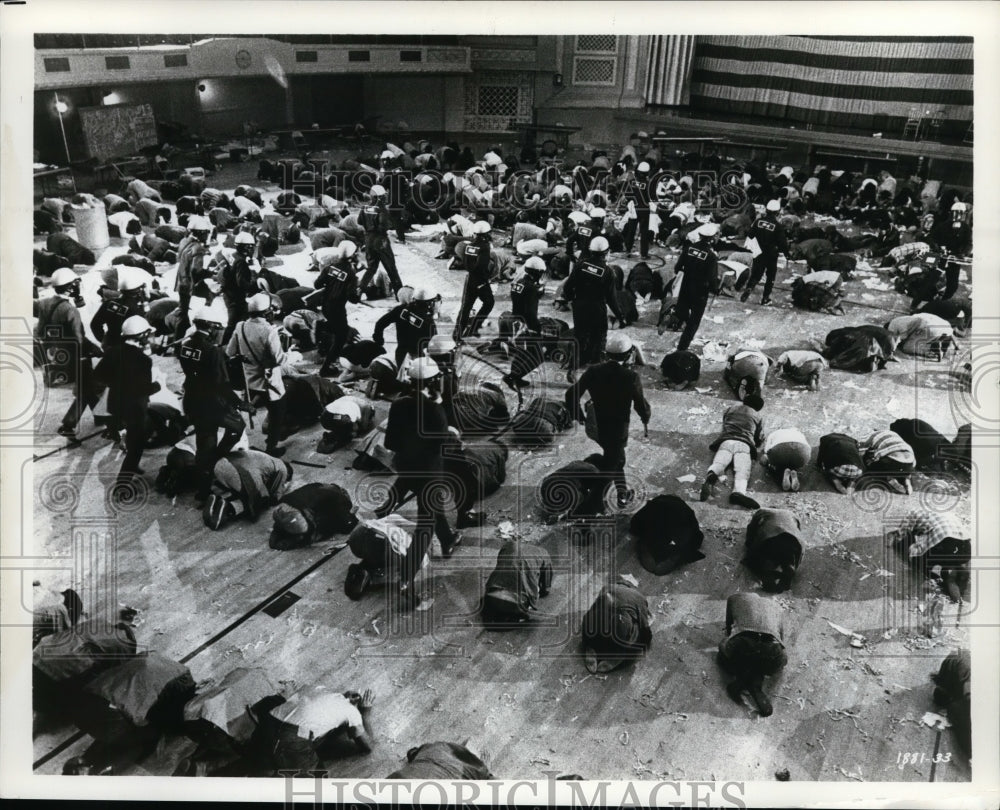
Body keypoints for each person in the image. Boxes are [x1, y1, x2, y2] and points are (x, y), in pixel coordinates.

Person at [377, 357, 464, 609]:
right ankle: (406, 579)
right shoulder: (435, 410)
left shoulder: (398, 405)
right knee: (425, 526)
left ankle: (447, 540)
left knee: (413, 496)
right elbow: (442, 446)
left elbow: (391, 443)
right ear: (433, 381)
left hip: (407, 466)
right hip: (429, 473)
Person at [565, 331, 650, 507]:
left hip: (597, 426)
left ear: (606, 353)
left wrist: (579, 415)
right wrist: (645, 417)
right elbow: (640, 404)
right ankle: (594, 503)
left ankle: (622, 493)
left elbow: (571, 393)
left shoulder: (594, 371)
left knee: (616, 459)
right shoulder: (630, 377)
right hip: (618, 429)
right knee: (614, 463)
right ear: (628, 355)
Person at [179, 302, 247, 502]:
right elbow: (221, 384)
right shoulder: (212, 351)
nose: (219, 331)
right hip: (213, 403)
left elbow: (200, 368)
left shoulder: (186, 345)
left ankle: (203, 488)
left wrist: (227, 361)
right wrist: (239, 403)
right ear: (210, 326)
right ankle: (217, 459)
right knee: (237, 426)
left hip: (193, 399)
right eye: (217, 327)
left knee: (204, 443)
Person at [37, 270, 106, 438]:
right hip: (78, 357)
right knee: (85, 390)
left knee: (88, 388)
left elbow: (41, 331)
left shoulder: (45, 303)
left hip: (59, 354)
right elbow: (78, 339)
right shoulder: (70, 310)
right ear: (70, 287)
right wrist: (95, 350)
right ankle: (68, 424)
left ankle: (101, 416)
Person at [93, 315, 159, 486]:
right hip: (135, 408)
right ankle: (122, 485)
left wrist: (116, 382)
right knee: (136, 447)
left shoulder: (112, 352)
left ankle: (132, 464)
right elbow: (143, 389)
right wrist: (157, 385)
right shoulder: (144, 360)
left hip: (115, 404)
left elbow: (98, 375)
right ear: (142, 336)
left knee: (131, 435)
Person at [226, 293, 293, 458]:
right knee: (278, 411)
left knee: (253, 402)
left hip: (249, 380)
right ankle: (271, 447)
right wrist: (290, 352)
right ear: (267, 312)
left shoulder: (240, 326)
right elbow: (280, 359)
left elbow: (230, 352)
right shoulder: (269, 331)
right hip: (269, 381)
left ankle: (234, 435)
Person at [561, 236, 623, 380]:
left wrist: (571, 299)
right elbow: (612, 299)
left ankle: (572, 368)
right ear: (607, 252)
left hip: (580, 306)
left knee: (580, 336)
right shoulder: (608, 272)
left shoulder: (581, 264)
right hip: (597, 308)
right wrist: (620, 316)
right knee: (599, 338)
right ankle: (597, 370)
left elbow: (568, 286)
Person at [718, 592, 787, 717]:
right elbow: (781, 639)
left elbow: (728, 628)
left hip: (744, 641)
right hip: (772, 648)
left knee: (724, 649)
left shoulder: (734, 598)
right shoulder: (777, 608)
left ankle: (743, 677)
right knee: (767, 659)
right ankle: (755, 681)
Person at [203, 447, 293, 531]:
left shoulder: (267, 458)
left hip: (220, 465)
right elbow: (275, 497)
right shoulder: (282, 468)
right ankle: (228, 507)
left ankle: (216, 501)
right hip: (238, 472)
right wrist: (285, 487)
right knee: (258, 501)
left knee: (243, 494)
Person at [701, 398, 765, 509]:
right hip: (744, 444)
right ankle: (738, 492)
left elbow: (724, 423)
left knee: (720, 462)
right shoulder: (757, 416)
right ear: (758, 408)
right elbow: (758, 437)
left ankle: (713, 474)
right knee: (742, 470)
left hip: (726, 441)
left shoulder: (731, 409)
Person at [581, 576, 652, 673]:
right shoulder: (639, 598)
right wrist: (645, 642)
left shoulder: (607, 588)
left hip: (594, 628)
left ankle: (590, 646)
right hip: (619, 632)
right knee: (634, 631)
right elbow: (645, 630)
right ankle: (615, 658)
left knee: (594, 619)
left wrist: (586, 639)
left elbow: (592, 609)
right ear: (631, 587)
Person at [313, 241, 361, 375]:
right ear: (352, 255)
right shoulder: (351, 274)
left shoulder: (330, 267)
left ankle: (323, 327)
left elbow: (317, 284)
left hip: (325, 305)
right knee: (341, 336)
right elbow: (352, 298)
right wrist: (358, 294)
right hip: (338, 308)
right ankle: (326, 368)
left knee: (337, 328)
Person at [672, 223, 721, 351]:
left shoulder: (688, 248)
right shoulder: (711, 256)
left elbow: (677, 268)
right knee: (695, 320)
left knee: (683, 308)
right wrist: (716, 289)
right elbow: (712, 278)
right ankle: (682, 347)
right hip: (700, 291)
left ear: (699, 235)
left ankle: (677, 317)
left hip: (686, 286)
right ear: (711, 238)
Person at [481, 540, 553, 624]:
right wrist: (542, 591)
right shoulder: (543, 553)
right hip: (517, 600)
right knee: (533, 589)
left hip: (493, 591)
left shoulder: (509, 545)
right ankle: (516, 614)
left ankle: (500, 610)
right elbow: (546, 583)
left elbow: (500, 563)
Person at [269, 483, 359, 550]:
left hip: (280, 508)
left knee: (311, 517)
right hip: (297, 517)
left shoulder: (318, 485)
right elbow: (347, 527)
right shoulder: (341, 500)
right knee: (316, 532)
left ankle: (279, 529)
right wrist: (353, 518)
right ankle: (289, 540)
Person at [373, 287, 440, 368]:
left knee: (402, 376)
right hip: (419, 359)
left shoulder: (400, 309)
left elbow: (380, 323)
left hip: (401, 354)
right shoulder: (428, 322)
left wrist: (379, 340)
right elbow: (434, 347)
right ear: (430, 304)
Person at [741, 199, 789, 306]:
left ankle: (749, 287)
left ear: (766, 210)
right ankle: (765, 298)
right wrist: (786, 253)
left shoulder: (758, 222)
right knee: (770, 276)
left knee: (756, 274)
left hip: (758, 252)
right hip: (771, 254)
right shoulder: (778, 226)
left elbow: (750, 235)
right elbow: (783, 244)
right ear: (778, 212)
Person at [453, 220, 495, 342]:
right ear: (487, 234)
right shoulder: (485, 247)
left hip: (470, 279)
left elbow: (467, 264)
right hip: (480, 280)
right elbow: (482, 265)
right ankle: (474, 328)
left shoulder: (469, 246)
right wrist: (485, 280)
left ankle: (457, 334)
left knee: (466, 307)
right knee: (489, 302)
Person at [357, 185, 403, 296]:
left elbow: (359, 221)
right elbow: (385, 225)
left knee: (371, 268)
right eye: (383, 196)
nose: (385, 197)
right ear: (379, 197)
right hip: (380, 240)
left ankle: (360, 290)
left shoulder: (365, 207)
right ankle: (400, 293)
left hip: (368, 239)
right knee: (391, 268)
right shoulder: (382, 209)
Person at [173, 215, 212, 342]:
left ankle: (178, 340)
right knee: (207, 301)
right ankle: (181, 342)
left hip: (181, 281)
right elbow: (196, 270)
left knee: (183, 312)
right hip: (189, 283)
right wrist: (210, 273)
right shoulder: (198, 248)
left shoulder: (184, 241)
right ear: (201, 233)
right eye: (206, 233)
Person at [220, 231, 259, 344]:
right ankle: (226, 346)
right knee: (235, 323)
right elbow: (242, 283)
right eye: (251, 247)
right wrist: (254, 281)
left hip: (229, 293)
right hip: (236, 297)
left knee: (235, 322)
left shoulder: (233, 256)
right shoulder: (241, 262)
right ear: (247, 247)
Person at [90, 275, 148, 350]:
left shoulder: (109, 303)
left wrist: (103, 339)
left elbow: (95, 324)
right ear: (138, 292)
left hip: (110, 343)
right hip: (131, 348)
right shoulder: (137, 309)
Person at [859, 429, 916, 494]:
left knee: (874, 465)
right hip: (910, 460)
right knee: (903, 471)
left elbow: (861, 453)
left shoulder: (871, 436)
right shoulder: (892, 433)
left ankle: (887, 479)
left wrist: (867, 464)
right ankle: (907, 482)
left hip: (894, 460)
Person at [761, 427, 811, 492]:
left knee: (766, 460)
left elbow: (767, 450)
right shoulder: (799, 433)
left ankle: (781, 473)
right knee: (794, 459)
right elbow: (808, 447)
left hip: (781, 449)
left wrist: (766, 458)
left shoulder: (774, 433)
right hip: (802, 453)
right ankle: (793, 470)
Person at [623, 161, 653, 258]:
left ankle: (628, 250)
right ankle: (644, 254)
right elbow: (650, 198)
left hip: (633, 210)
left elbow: (627, 195)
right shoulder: (648, 184)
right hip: (644, 209)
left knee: (631, 230)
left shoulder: (631, 182)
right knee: (644, 232)